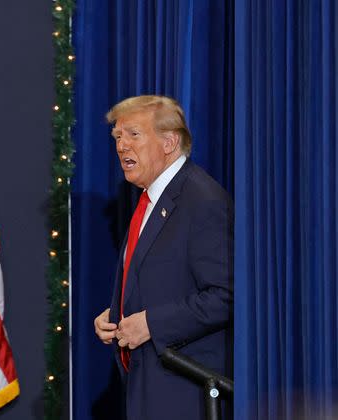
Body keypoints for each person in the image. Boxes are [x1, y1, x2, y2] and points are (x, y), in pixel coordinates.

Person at [93, 95, 233, 419]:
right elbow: (166, 281)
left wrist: (151, 324)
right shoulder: (151, 200)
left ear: (169, 142)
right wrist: (117, 314)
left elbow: (227, 295)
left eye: (133, 135)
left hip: (187, 396)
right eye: (117, 137)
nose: (121, 146)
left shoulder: (202, 201)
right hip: (151, 391)